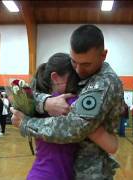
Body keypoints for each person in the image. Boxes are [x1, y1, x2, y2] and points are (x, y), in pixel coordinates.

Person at [11, 24, 124, 179]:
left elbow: (74, 127)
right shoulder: (84, 79)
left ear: (103, 55)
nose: (78, 70)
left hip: (90, 173)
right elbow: (27, 94)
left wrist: (26, 123)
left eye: (86, 64)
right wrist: (47, 103)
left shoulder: (104, 83)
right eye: (74, 62)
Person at [25, 53, 118, 180]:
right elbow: (111, 145)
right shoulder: (69, 103)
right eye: (75, 79)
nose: (79, 85)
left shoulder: (38, 104)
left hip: (47, 173)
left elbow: (21, 101)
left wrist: (40, 106)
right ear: (55, 77)